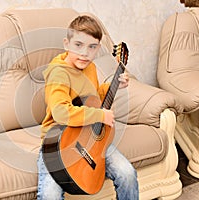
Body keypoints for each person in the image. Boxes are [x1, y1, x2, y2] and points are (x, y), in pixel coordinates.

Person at [37, 15, 139, 200]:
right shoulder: (59, 73)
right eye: (78, 45)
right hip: (60, 143)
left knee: (127, 173)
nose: (85, 53)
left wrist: (114, 85)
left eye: (91, 47)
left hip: (89, 138)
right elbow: (61, 112)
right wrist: (100, 116)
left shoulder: (88, 67)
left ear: (98, 49)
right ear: (66, 44)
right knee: (49, 194)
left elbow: (91, 98)